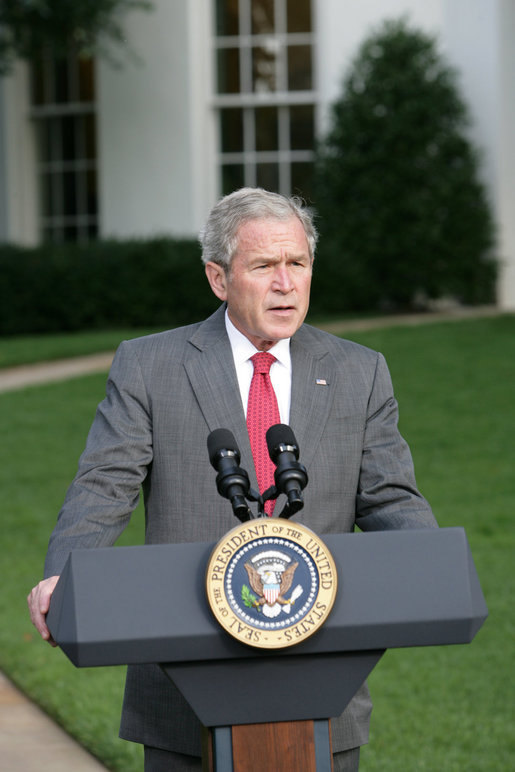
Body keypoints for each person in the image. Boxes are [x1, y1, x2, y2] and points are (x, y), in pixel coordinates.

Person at [28, 187, 437, 771]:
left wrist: (432, 567)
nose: (285, 283)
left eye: (297, 263)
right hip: (185, 689)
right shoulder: (151, 366)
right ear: (218, 279)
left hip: (319, 686)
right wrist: (60, 575)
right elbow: (105, 484)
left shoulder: (359, 371)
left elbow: (391, 496)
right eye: (264, 266)